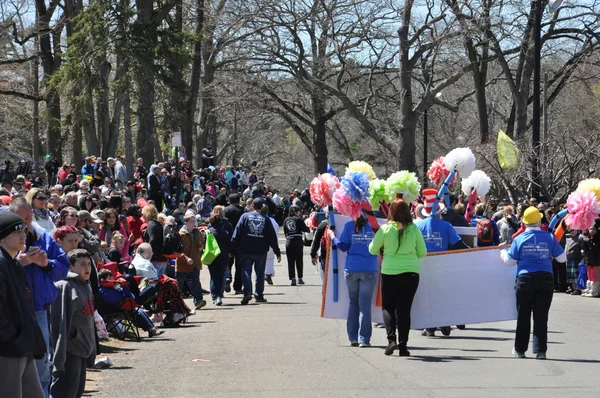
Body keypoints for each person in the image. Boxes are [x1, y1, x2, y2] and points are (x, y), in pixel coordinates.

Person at [9, 198, 70, 397]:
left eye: (27, 218)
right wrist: (17, 263)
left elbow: (63, 270)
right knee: (13, 369)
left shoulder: (43, 237)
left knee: (42, 364)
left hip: (39, 311)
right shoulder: (5, 242)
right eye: (18, 219)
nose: (23, 224)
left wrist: (46, 264)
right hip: (12, 314)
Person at [500, 207, 566, 359]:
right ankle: (540, 351)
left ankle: (520, 349)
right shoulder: (549, 237)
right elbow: (562, 258)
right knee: (541, 316)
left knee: (523, 315)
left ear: (524, 222)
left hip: (525, 279)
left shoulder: (519, 239)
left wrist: (502, 251)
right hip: (545, 279)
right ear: (539, 221)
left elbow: (510, 261)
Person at [369, 199, 427, 357]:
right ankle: (403, 346)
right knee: (404, 310)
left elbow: (372, 250)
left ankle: (391, 340)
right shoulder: (414, 229)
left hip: (390, 272)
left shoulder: (386, 229)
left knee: (388, 306)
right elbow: (422, 252)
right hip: (411, 273)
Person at [0, 212, 46, 398]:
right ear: (2, 237)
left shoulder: (14, 262)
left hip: (22, 344)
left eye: (24, 231)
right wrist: (12, 336)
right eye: (16, 232)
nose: (22, 235)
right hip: (8, 348)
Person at [415, 188, 469, 337]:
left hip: (423, 264)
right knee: (442, 295)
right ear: (438, 211)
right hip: (442, 265)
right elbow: (458, 244)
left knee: (427, 296)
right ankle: (443, 320)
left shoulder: (417, 227)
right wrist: (472, 251)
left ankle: (430, 327)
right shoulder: (446, 226)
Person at [50, 249, 96, 398]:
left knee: (78, 390)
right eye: (82, 264)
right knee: (67, 390)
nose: (87, 268)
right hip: (70, 349)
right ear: (70, 266)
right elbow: (59, 322)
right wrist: (59, 353)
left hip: (84, 347)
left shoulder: (86, 285)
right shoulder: (64, 286)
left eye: (89, 264)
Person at [328, 215, 378, 348]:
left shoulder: (349, 225)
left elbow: (343, 246)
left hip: (351, 268)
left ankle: (353, 338)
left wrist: (332, 236)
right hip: (369, 269)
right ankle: (364, 339)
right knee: (365, 305)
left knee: (353, 302)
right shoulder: (374, 226)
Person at [232, 198, 281, 304]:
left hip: (246, 249)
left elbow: (237, 232)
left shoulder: (244, 217)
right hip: (261, 250)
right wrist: (277, 251)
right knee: (259, 273)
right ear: (262, 207)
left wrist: (232, 248)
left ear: (252, 206)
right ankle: (258, 295)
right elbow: (272, 237)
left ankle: (248, 292)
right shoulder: (266, 219)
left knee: (246, 271)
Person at [176, 214, 206, 309]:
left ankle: (198, 301)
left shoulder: (197, 232)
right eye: (192, 221)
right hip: (183, 263)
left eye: (195, 221)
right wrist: (186, 258)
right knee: (179, 284)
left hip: (195, 262)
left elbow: (201, 242)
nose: (194, 223)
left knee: (196, 281)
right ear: (186, 222)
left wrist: (201, 246)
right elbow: (178, 251)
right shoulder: (180, 234)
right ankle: (177, 303)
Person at [207, 210, 232, 306]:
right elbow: (229, 245)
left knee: (214, 276)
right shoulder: (225, 232)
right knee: (222, 277)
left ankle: (215, 296)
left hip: (212, 257)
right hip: (223, 257)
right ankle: (219, 295)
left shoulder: (208, 232)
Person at [283, 205, 310, 286]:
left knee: (290, 261)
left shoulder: (286, 220)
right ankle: (300, 278)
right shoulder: (298, 219)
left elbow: (285, 231)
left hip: (289, 240)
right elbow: (306, 229)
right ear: (296, 211)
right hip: (298, 241)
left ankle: (292, 278)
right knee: (299, 260)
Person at [224, 194, 244, 293]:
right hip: (240, 241)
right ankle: (238, 287)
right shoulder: (242, 211)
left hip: (227, 240)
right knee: (239, 265)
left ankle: (227, 277)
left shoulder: (225, 210)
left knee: (228, 262)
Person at [142, 205, 167, 276]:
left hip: (155, 259)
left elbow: (152, 239)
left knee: (154, 283)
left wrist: (148, 254)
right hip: (163, 259)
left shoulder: (151, 224)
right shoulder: (159, 224)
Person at [582, 225, 600, 297]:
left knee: (593, 275)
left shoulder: (597, 238)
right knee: (589, 276)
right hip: (588, 259)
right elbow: (585, 248)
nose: (591, 231)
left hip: (595, 259)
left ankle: (594, 292)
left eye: (593, 229)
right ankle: (589, 289)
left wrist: (588, 241)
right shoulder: (588, 237)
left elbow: (595, 248)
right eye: (590, 229)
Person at [564, 228, 584, 295]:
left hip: (577, 259)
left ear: (577, 229)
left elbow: (583, 247)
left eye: (572, 230)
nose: (571, 232)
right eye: (570, 230)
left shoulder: (580, 237)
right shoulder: (568, 237)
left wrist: (582, 251)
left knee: (576, 275)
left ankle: (578, 289)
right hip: (568, 259)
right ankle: (573, 288)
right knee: (571, 276)